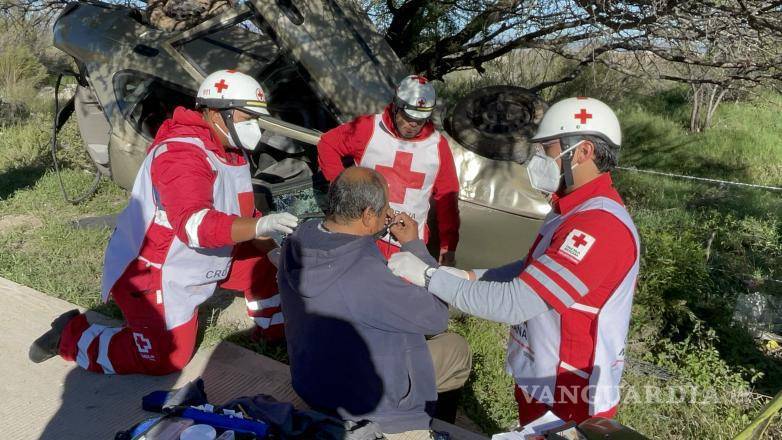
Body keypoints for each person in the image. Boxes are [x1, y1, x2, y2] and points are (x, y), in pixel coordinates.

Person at [389, 97, 639, 427]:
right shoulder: (569, 208)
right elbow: (529, 271)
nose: (540, 158)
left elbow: (514, 303)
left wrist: (429, 277)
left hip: (571, 392)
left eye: (549, 147)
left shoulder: (599, 226)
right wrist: (467, 275)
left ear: (583, 152)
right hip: (542, 378)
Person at [29, 70, 298, 374]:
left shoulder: (229, 151)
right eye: (246, 117)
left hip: (203, 249)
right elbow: (194, 225)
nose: (254, 127)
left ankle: (275, 331)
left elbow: (241, 215)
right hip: (155, 268)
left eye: (256, 118)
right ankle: (70, 336)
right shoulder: (181, 154)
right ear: (216, 114)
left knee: (264, 265)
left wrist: (277, 244)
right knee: (163, 358)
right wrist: (259, 228)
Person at [277, 167, 471, 439]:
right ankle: (426, 423)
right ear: (368, 214)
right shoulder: (368, 275)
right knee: (457, 348)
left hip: (313, 384)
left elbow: (344, 246)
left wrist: (376, 231)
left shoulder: (297, 241)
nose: (389, 211)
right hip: (373, 406)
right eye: (384, 208)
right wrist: (414, 246)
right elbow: (437, 315)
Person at [317, 75, 460, 265]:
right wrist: (343, 191)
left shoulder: (437, 145)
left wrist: (448, 245)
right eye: (409, 117)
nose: (413, 125)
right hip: (361, 236)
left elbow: (447, 198)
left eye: (421, 120)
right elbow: (328, 144)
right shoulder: (369, 128)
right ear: (396, 106)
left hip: (408, 246)